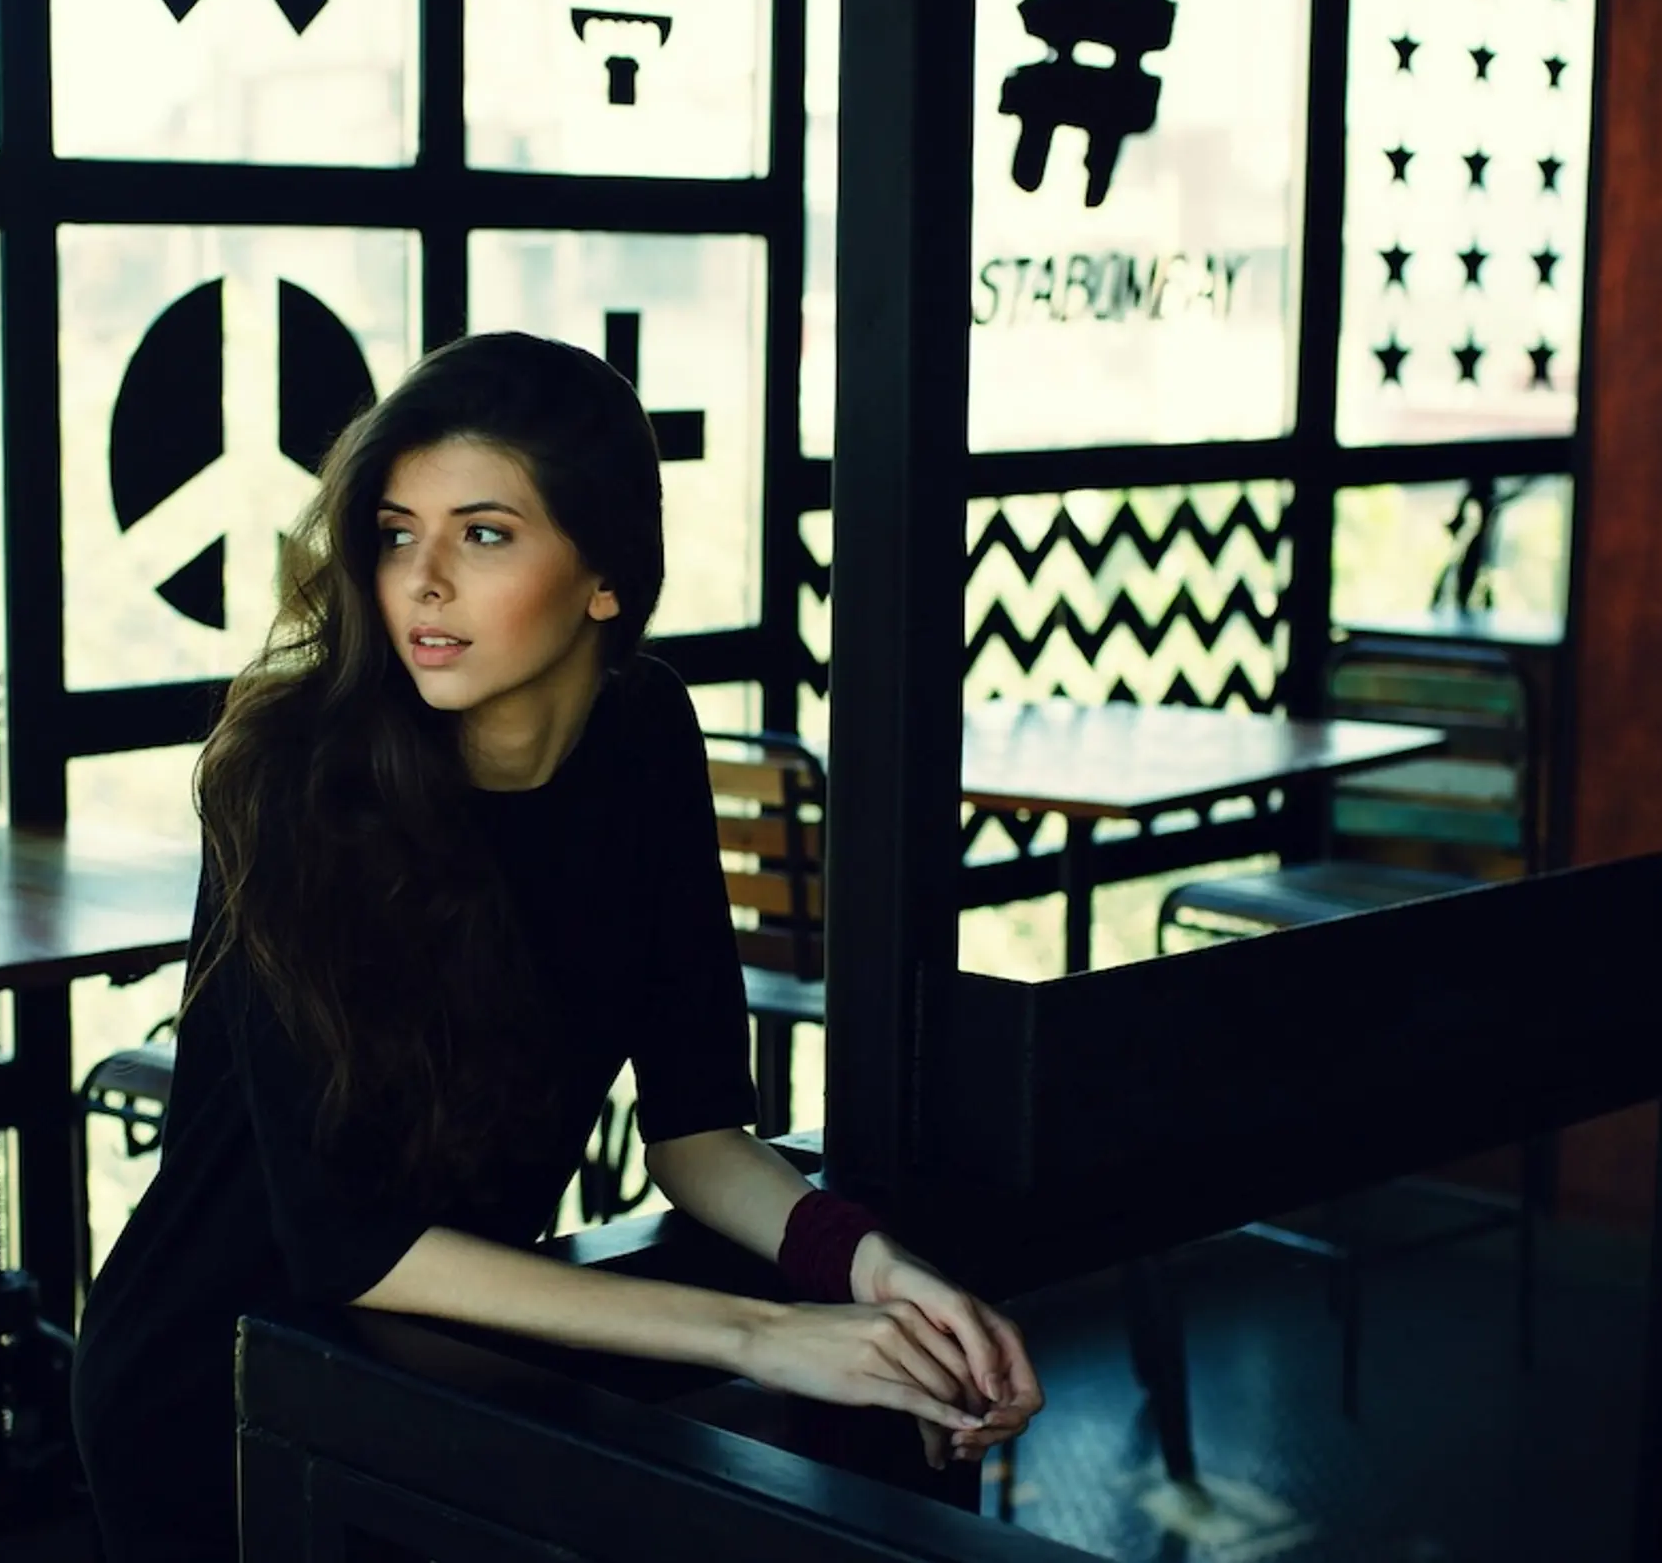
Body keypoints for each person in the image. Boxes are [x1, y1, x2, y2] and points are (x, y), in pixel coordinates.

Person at [72, 332, 1042, 1560]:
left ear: (604, 576)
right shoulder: (295, 777)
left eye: (483, 533)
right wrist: (757, 1331)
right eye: (392, 529)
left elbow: (696, 1136)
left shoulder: (644, 730)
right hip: (212, 1380)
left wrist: (871, 1267)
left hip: (444, 1358)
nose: (422, 579)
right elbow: (346, 1241)